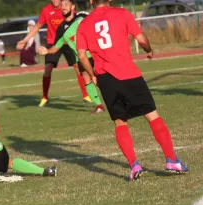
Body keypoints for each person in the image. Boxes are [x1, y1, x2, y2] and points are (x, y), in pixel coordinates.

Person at [76, 0, 188, 181]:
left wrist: (93, 74)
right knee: (152, 115)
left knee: (120, 123)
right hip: (128, 73)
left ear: (91, 1)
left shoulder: (84, 24)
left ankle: (134, 165)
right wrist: (149, 50)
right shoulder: (122, 14)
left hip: (106, 79)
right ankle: (171, 160)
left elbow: (81, 55)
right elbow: (141, 38)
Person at [16, 0, 91, 107]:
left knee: (78, 67)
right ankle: (45, 98)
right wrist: (25, 40)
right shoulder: (46, 10)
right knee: (47, 69)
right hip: (53, 43)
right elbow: (37, 27)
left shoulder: (66, 7)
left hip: (69, 41)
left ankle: (86, 95)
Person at [38, 0, 105, 114]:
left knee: (104, 77)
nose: (63, 7)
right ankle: (99, 105)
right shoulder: (61, 28)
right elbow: (57, 46)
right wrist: (47, 51)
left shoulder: (82, 16)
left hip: (95, 53)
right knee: (87, 78)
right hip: (81, 58)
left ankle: (117, 97)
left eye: (66, 4)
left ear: (72, 6)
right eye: (62, 5)